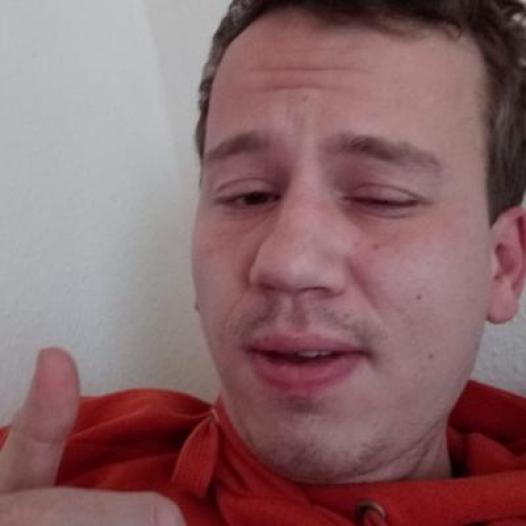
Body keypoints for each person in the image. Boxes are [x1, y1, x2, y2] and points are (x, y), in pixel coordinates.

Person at [1, 0, 526, 524]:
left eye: (380, 197)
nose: (287, 263)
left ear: (503, 265)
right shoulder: (54, 474)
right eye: (248, 195)